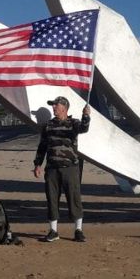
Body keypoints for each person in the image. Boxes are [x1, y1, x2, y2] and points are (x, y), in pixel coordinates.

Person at [33, 96, 91, 242]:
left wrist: (86, 116)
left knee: (74, 198)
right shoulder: (48, 125)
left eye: (55, 105)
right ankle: (53, 231)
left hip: (70, 168)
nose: (53, 108)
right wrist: (37, 164)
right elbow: (42, 146)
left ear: (64, 108)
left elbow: (84, 129)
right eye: (52, 106)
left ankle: (78, 230)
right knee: (52, 199)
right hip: (52, 169)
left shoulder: (73, 123)